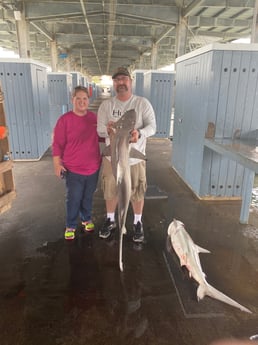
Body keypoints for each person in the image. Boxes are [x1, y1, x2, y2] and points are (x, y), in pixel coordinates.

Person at [97, 66, 156, 243]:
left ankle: (137, 222)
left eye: (123, 79)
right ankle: (111, 219)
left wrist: (140, 133)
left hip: (135, 158)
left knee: (137, 189)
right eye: (116, 80)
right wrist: (107, 130)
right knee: (110, 188)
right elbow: (100, 130)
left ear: (130, 81)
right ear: (113, 84)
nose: (120, 83)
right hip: (111, 158)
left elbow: (152, 127)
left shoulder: (142, 103)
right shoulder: (107, 105)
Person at [52, 86, 103, 240]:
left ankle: (86, 219)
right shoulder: (64, 120)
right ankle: (71, 224)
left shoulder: (94, 119)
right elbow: (57, 144)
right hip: (72, 169)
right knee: (73, 198)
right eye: (78, 98)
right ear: (72, 100)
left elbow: (101, 137)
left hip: (93, 167)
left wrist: (113, 132)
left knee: (88, 196)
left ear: (89, 100)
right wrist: (56, 164)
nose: (82, 102)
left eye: (84, 99)